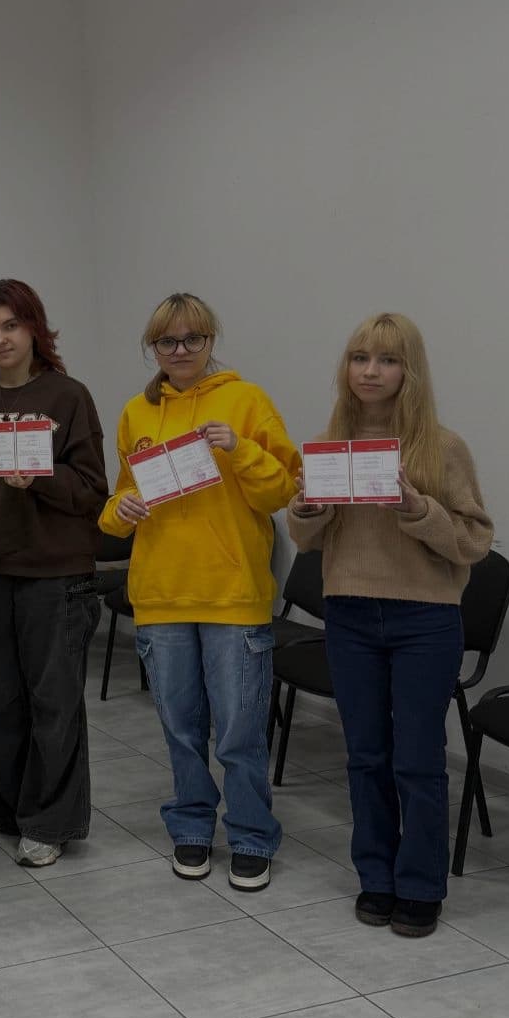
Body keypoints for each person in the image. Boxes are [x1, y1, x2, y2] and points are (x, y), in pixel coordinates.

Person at [287, 314, 492, 937]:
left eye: (387, 360)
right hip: (350, 612)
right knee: (366, 755)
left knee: (418, 759)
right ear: (345, 370)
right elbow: (305, 539)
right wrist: (306, 510)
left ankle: (422, 885)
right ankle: (375, 876)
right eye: (359, 358)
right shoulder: (328, 443)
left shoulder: (442, 447)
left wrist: (416, 506)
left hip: (425, 619)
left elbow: (473, 541)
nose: (371, 371)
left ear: (411, 371)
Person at [99, 293, 300, 892]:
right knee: (180, 725)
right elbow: (115, 509)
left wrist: (240, 451)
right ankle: (191, 826)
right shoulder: (137, 412)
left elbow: (281, 490)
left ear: (212, 341)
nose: (180, 351)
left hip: (232, 593)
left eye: (193, 339)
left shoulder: (246, 400)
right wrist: (123, 510)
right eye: (167, 342)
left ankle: (250, 833)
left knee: (239, 729)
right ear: (152, 348)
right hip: (161, 594)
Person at [0, 280, 109, 867]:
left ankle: (50, 820)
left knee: (53, 702)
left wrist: (37, 476)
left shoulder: (68, 397)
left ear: (34, 328)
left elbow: (93, 490)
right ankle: (11, 809)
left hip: (54, 574)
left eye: (9, 326)